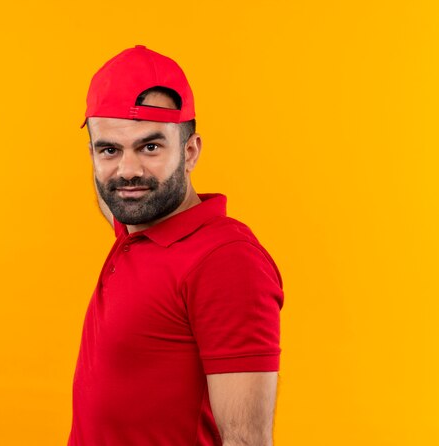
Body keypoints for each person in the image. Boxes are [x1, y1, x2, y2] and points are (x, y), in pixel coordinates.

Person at [68, 45, 284, 446]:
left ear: (190, 151)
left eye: (150, 147)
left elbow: (247, 440)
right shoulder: (136, 225)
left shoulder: (225, 261)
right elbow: (112, 192)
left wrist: (112, 148)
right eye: (109, 150)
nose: (129, 171)